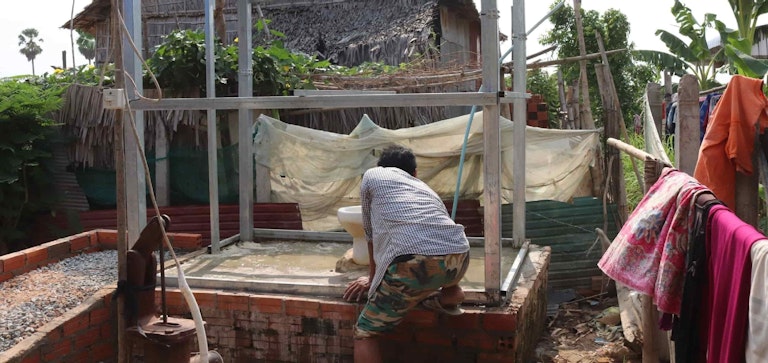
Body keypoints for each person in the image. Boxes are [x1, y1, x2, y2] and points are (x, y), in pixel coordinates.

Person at [342, 145, 470, 363]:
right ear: (415, 173)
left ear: (380, 167)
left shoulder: (372, 176)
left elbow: (370, 233)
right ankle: (452, 294)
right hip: (460, 256)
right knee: (438, 267)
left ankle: (420, 291)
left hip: (412, 264)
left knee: (364, 333)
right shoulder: (423, 187)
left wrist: (373, 280)